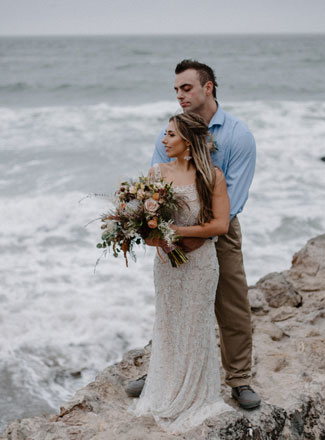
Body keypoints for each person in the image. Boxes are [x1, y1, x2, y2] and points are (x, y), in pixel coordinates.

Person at [126, 60, 260, 410]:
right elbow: (155, 189)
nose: (179, 95)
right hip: (173, 229)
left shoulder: (238, 135)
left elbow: (234, 195)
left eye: (186, 88)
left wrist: (201, 234)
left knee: (231, 302)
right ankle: (163, 372)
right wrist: (160, 234)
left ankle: (240, 378)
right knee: (171, 303)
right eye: (176, 90)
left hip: (221, 227)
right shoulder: (169, 131)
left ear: (208, 87)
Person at [129, 112, 234, 433]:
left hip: (202, 262)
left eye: (171, 135)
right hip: (167, 264)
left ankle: (195, 392)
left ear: (187, 141)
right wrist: (157, 238)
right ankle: (166, 385)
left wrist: (182, 233)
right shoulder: (156, 173)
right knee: (169, 320)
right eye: (165, 134)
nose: (164, 140)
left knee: (197, 323)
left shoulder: (211, 175)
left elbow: (220, 224)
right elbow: (146, 228)